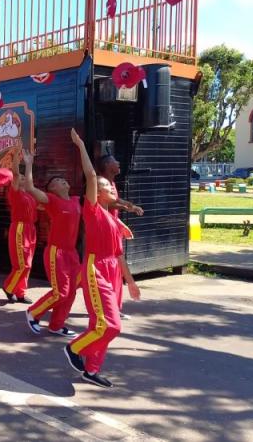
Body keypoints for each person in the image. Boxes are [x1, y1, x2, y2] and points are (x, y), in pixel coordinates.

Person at [63, 129, 141, 389]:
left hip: (112, 270)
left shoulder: (112, 219)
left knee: (101, 325)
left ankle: (91, 369)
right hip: (95, 269)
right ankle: (75, 347)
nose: (106, 187)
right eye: (103, 186)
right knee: (111, 325)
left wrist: (129, 281)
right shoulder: (93, 210)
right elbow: (90, 175)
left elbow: (119, 253)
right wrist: (81, 146)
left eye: (107, 186)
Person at [22, 148, 81, 338]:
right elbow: (30, 188)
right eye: (56, 181)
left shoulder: (76, 201)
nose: (61, 181)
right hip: (57, 253)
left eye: (62, 179)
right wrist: (29, 163)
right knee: (61, 292)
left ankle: (56, 325)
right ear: (52, 189)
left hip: (72, 253)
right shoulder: (52, 200)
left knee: (71, 292)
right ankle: (34, 312)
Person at [96, 155, 144, 321]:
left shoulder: (111, 183)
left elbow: (113, 201)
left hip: (112, 227)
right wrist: (130, 207)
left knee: (116, 268)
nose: (119, 163)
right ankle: (108, 308)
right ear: (108, 165)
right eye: (115, 161)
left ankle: (114, 307)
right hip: (104, 231)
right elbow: (109, 202)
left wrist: (120, 223)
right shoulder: (101, 182)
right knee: (109, 267)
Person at [2, 149, 38, 304]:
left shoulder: (30, 194)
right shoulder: (14, 193)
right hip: (20, 229)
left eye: (24, 177)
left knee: (28, 264)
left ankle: (21, 292)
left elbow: (29, 181)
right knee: (21, 264)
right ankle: (9, 287)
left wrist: (29, 163)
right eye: (20, 177)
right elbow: (16, 175)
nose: (22, 178)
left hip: (31, 230)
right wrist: (16, 157)